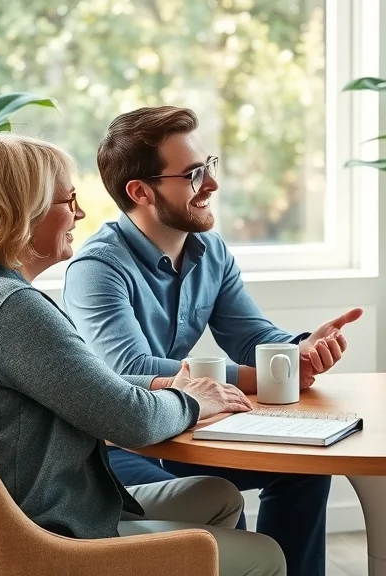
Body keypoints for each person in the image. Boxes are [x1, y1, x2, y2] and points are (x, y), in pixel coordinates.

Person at [0, 132, 286, 576]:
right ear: (21, 212)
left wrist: (171, 387)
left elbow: (84, 387)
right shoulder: (11, 309)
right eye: (69, 200)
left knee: (218, 495)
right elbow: (130, 420)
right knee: (265, 557)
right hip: (39, 536)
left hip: (3, 515)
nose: (80, 214)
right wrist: (193, 401)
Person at [62, 106, 360, 576]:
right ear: (140, 191)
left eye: (210, 166)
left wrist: (298, 351)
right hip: (114, 450)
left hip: (189, 430)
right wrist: (256, 375)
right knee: (220, 508)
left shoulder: (210, 250)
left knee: (304, 469)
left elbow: (251, 335)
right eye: (194, 174)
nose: (213, 185)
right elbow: (127, 371)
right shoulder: (96, 269)